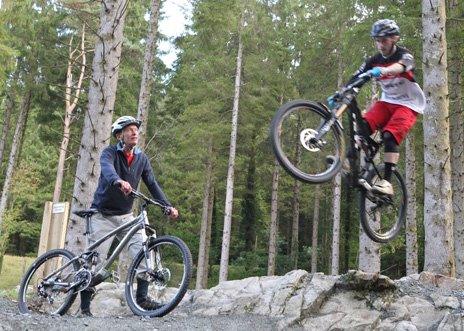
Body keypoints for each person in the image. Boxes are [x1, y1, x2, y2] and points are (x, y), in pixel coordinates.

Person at [79, 115, 179, 316]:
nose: (134, 132)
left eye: (136, 129)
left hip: (126, 216)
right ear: (119, 135)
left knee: (144, 250)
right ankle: (84, 307)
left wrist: (167, 206)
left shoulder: (141, 158)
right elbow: (107, 170)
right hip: (102, 214)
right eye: (129, 129)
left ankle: (142, 299)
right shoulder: (109, 153)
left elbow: (152, 184)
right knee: (96, 261)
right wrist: (118, 181)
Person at [346, 19, 425, 195]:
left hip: (408, 104)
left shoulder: (405, 55)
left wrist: (384, 70)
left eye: (384, 40)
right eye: (377, 40)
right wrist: (343, 92)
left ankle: (387, 182)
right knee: (362, 127)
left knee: (389, 136)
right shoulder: (373, 60)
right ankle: (353, 161)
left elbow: (401, 67)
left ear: (394, 38)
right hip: (387, 101)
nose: (380, 45)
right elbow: (356, 77)